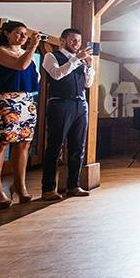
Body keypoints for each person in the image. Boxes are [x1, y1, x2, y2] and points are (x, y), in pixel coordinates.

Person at [0, 21, 40, 209]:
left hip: (25, 101)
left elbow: (32, 76)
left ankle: (19, 184)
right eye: (18, 33)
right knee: (1, 143)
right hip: (4, 101)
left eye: (25, 34)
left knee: (24, 143)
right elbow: (20, 66)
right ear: (7, 34)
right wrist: (32, 47)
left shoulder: (27, 55)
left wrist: (30, 51)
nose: (23, 37)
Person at [41, 28, 94, 200]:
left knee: (77, 147)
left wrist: (89, 67)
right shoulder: (52, 56)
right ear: (62, 40)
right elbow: (56, 75)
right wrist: (75, 59)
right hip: (60, 103)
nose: (76, 44)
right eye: (72, 40)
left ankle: (73, 185)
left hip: (80, 104)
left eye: (78, 41)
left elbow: (88, 84)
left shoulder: (80, 60)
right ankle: (48, 188)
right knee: (55, 146)